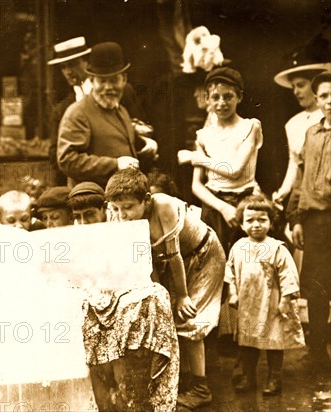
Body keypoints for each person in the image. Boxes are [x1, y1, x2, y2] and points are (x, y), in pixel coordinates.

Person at [105, 168, 226, 410]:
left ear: (146, 200)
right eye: (117, 208)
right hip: (172, 264)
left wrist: (182, 296)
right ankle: (179, 380)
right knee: (166, 317)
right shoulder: (116, 214)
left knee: (189, 321)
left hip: (203, 256)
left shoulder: (164, 206)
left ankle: (201, 390)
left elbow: (174, 256)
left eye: (128, 207)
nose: (122, 214)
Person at [178, 67, 263, 255]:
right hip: (215, 206)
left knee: (248, 260)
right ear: (207, 99)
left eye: (228, 96)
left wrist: (196, 158)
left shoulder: (250, 127)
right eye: (215, 97)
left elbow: (235, 170)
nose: (221, 103)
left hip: (245, 203)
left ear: (239, 97)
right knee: (215, 261)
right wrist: (223, 208)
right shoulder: (203, 135)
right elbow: (196, 186)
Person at [225, 195, 304, 396]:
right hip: (248, 304)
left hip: (271, 303)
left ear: (270, 222)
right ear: (242, 224)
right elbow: (231, 272)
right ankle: (249, 378)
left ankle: (274, 378)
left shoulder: (277, 248)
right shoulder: (239, 247)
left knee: (273, 341)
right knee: (248, 343)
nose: (256, 225)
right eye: (250, 220)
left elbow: (289, 275)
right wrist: (233, 292)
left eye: (262, 220)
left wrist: (285, 300)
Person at [48, 37, 153, 186]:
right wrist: (114, 165)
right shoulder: (76, 112)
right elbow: (67, 160)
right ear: (92, 81)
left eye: (114, 80)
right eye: (102, 81)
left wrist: (143, 147)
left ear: (124, 80)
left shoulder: (121, 110)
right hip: (94, 201)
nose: (108, 87)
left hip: (123, 198)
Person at [288, 71, 331, 373]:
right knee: (317, 290)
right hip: (315, 221)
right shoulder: (310, 134)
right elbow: (300, 178)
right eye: (325, 96)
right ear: (317, 101)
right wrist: (296, 218)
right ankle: (318, 354)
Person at [272, 61, 330, 206]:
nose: (296, 92)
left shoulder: (327, 117)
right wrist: (283, 191)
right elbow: (295, 163)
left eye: (301, 85)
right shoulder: (293, 124)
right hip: (304, 194)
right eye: (293, 87)